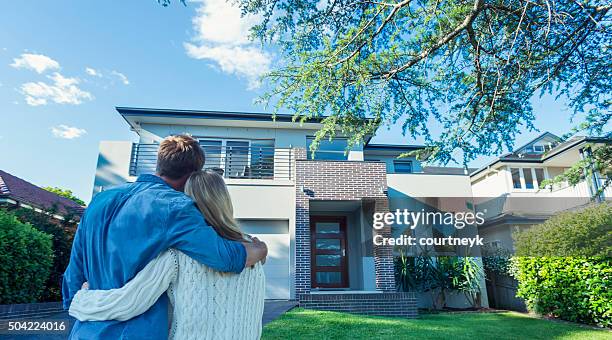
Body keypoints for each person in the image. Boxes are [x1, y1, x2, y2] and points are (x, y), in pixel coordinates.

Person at [62, 135, 268, 339]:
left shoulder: (99, 201)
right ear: (192, 176)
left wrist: (80, 307)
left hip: (84, 330)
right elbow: (224, 257)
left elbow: (73, 273)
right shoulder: (175, 206)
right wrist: (260, 249)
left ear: (160, 162)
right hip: (135, 332)